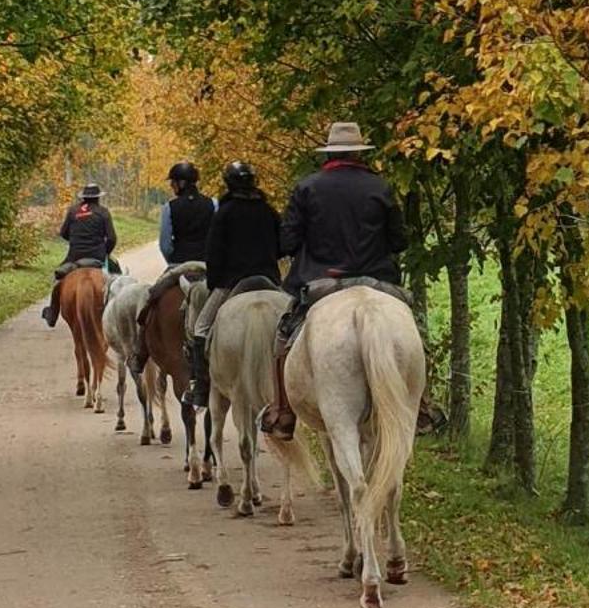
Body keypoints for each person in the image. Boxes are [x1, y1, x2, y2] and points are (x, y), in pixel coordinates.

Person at [260, 121, 406, 437]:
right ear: (359, 153)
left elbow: (287, 243)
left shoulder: (308, 188)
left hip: (319, 283)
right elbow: (399, 241)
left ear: (330, 153)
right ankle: (421, 403)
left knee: (283, 337)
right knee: (415, 328)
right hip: (377, 281)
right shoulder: (380, 188)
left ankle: (282, 411)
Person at [188, 162, 282, 406]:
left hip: (232, 282)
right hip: (269, 279)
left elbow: (214, 253)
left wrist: (214, 284)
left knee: (201, 328)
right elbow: (283, 246)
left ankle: (200, 387)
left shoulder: (225, 213)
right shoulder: (268, 211)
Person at [42, 184, 118, 328]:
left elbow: (63, 233)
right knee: (118, 278)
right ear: (98, 198)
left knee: (58, 280)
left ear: (83, 197)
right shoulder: (103, 212)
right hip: (97, 257)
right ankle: (117, 312)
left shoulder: (73, 211)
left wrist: (76, 240)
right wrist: (105, 252)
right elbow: (112, 238)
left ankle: (52, 313)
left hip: (74, 258)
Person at [159, 160, 215, 267]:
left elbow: (165, 246)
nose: (171, 185)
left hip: (179, 263)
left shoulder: (169, 207)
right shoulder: (213, 203)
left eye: (173, 182)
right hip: (207, 263)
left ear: (182, 183)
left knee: (158, 284)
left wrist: (172, 261)